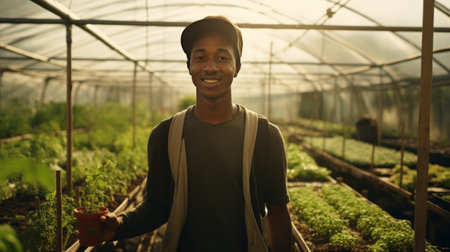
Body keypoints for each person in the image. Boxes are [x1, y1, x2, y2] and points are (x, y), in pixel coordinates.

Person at [100, 16, 292, 252]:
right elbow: (158, 206)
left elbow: (277, 213)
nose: (210, 67)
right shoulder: (165, 135)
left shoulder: (265, 136)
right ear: (189, 66)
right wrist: (119, 225)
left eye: (222, 58)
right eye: (200, 58)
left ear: (237, 67)